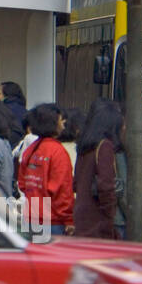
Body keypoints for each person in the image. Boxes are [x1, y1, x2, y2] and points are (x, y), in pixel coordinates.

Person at [17, 104, 74, 235]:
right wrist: (68, 219)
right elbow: (62, 189)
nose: (64, 123)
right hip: (53, 221)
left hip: (31, 216)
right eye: (61, 119)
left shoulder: (31, 149)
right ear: (52, 123)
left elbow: (22, 184)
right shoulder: (58, 151)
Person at [73, 99, 125, 239]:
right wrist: (110, 213)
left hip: (82, 216)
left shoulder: (84, 147)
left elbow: (76, 183)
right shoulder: (105, 146)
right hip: (98, 220)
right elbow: (106, 186)